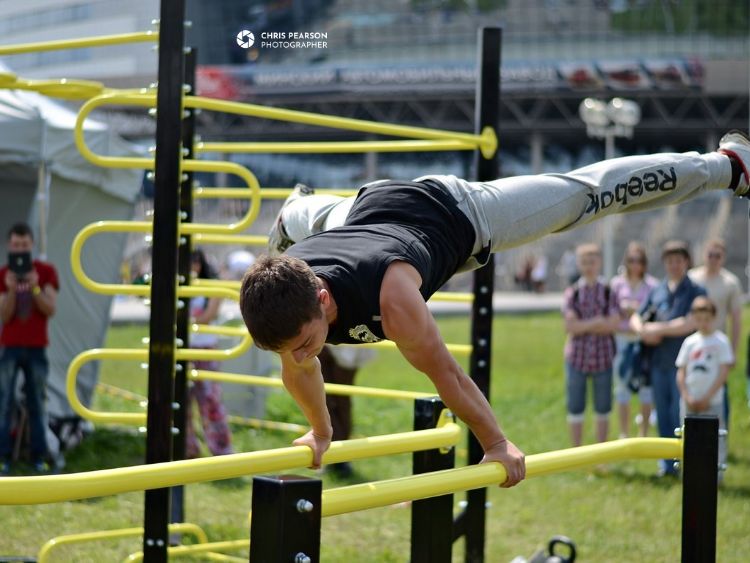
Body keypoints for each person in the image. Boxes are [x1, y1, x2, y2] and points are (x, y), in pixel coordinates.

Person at [240, 131, 750, 487]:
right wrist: (322, 432)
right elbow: (299, 369)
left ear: (323, 300)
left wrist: (497, 443)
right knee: (322, 218)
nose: (304, 353)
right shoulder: (288, 296)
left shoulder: (393, 299)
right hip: (355, 216)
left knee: (586, 196)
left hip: (455, 213)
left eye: (308, 341)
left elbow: (448, 377)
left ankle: (727, 165)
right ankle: (295, 210)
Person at [630, 240, 706, 477]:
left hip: (684, 365)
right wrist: (642, 330)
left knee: (680, 413)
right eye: (669, 261)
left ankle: (687, 462)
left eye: (678, 260)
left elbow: (690, 323)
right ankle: (667, 464)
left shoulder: (696, 291)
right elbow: (636, 316)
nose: (674, 265)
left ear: (686, 262)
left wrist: (657, 329)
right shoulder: (657, 290)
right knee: (662, 413)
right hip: (658, 363)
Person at [0, 223, 59, 474]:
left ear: (31, 245)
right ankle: (3, 456)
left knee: (37, 402)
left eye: (24, 245)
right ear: (9, 246)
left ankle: (38, 456)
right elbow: (4, 315)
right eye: (16, 245)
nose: (21, 250)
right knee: (4, 402)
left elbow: (50, 309)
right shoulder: (4, 274)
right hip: (11, 345)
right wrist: (12, 289)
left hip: (36, 346)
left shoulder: (46, 272)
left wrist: (34, 287)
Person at [562, 244, 619, 447]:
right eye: (584, 262)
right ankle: (577, 451)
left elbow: (613, 324)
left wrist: (584, 324)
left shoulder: (608, 291)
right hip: (577, 357)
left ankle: (600, 451)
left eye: (592, 262)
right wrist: (597, 322)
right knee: (575, 406)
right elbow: (570, 326)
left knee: (603, 406)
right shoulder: (573, 293)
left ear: (599, 263)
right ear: (579, 264)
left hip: (603, 357)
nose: (588, 266)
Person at [675, 296, 733, 483]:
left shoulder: (721, 341)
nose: (703, 323)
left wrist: (707, 397)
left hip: (713, 401)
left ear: (714, 318)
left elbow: (723, 373)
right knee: (688, 438)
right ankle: (690, 475)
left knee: (716, 438)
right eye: (699, 319)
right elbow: (681, 372)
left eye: (707, 319)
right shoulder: (689, 342)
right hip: (690, 400)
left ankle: (717, 475)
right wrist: (686, 396)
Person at [688, 238, 742, 426]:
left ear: (723, 258)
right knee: (693, 386)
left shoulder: (730, 282)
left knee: (719, 390)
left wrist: (733, 352)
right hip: (694, 343)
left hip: (718, 345)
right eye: (710, 255)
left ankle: (720, 437)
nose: (713, 259)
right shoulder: (692, 278)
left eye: (717, 256)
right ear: (704, 255)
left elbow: (736, 319)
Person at [185, 249, 233, 458]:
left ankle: (221, 450)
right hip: (184, 349)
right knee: (182, 401)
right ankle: (187, 449)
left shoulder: (211, 285)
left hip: (205, 349)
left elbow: (208, 315)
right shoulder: (180, 286)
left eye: (193, 262)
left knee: (210, 401)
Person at [610, 242, 658, 438]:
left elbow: (654, 310)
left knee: (646, 386)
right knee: (622, 386)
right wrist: (623, 310)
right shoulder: (616, 284)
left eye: (639, 260)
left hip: (642, 341)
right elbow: (611, 310)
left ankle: (643, 432)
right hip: (622, 339)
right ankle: (623, 433)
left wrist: (636, 309)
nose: (635, 264)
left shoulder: (652, 285)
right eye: (631, 260)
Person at [318, 344, 375, 478]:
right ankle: (336, 456)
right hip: (322, 338)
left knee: (341, 399)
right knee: (325, 399)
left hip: (345, 342)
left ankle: (340, 456)